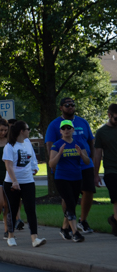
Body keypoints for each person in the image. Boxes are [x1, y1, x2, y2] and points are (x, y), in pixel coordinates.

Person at [45, 97, 95, 233]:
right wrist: (53, 162)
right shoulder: (55, 124)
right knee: (69, 198)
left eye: (73, 104)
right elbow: (49, 145)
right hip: (65, 166)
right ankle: (68, 224)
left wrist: (90, 159)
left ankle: (82, 221)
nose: (70, 107)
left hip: (84, 164)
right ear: (61, 107)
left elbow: (91, 142)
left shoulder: (82, 122)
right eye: (67, 105)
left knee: (88, 191)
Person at [3, 121, 46, 247]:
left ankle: (34, 238)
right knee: (13, 209)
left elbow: (32, 159)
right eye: (28, 128)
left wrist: (35, 168)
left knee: (30, 209)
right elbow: (9, 166)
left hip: (28, 182)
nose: (29, 131)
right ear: (22, 131)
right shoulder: (10, 146)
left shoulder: (27, 143)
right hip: (12, 183)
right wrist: (15, 181)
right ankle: (10, 236)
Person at [49, 120, 89, 242]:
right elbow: (51, 163)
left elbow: (87, 162)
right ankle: (75, 233)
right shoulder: (57, 144)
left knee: (72, 204)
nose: (66, 130)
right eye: (64, 128)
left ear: (73, 130)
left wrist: (81, 155)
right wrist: (59, 153)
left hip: (76, 177)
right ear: (60, 131)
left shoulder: (79, 143)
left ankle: (64, 228)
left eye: (69, 128)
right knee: (70, 203)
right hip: (62, 178)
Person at [94, 104, 117, 236]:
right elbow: (97, 154)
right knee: (116, 198)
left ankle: (113, 220)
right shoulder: (101, 132)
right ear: (109, 115)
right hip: (111, 170)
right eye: (116, 119)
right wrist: (95, 175)